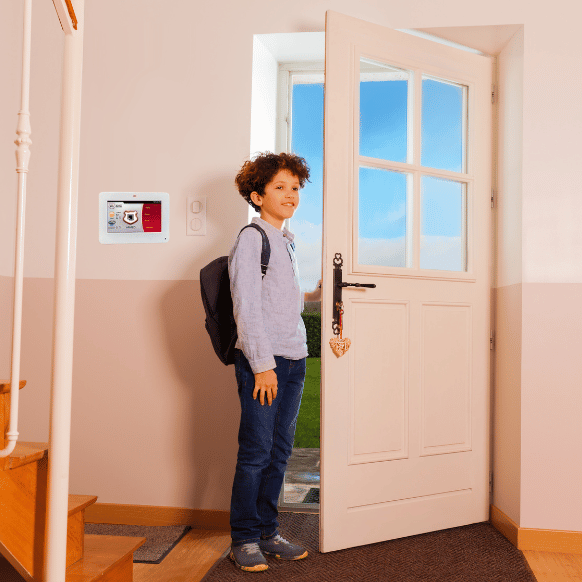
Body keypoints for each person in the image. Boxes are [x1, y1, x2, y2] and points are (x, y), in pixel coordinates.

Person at [228, 152, 322, 572]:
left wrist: (317, 300)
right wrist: (262, 364)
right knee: (256, 452)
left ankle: (268, 531)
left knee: (280, 451)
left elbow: (282, 303)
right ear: (257, 194)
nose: (290, 195)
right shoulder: (253, 238)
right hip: (264, 363)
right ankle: (244, 538)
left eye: (295, 188)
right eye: (280, 187)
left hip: (294, 359)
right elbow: (246, 306)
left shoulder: (286, 241)